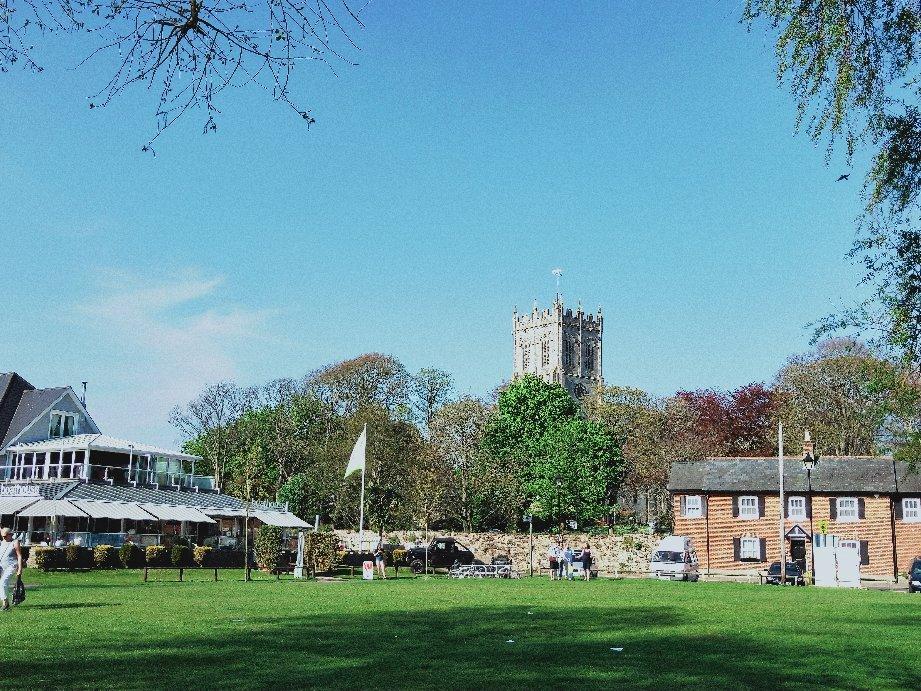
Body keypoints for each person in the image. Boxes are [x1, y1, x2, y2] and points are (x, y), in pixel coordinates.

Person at [0, 527, 24, 611]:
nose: (4, 538)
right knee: (2, 584)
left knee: (3, 582)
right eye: (3, 536)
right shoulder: (1, 543)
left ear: (11, 535)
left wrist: (20, 569)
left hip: (12, 566)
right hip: (1, 566)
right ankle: (4, 602)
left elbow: (19, 556)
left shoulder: (15, 542)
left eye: (6, 536)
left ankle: (5, 604)